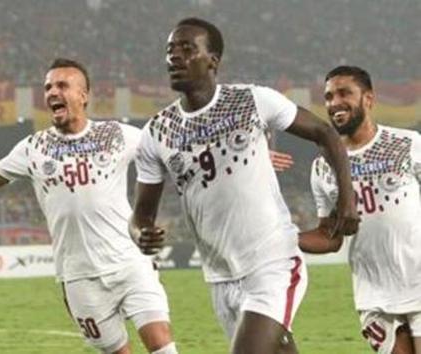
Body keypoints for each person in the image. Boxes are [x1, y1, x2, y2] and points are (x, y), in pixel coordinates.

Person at [0, 58, 178, 354]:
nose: (52, 92)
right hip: (78, 276)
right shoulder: (33, 148)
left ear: (84, 95)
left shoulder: (117, 135)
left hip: (129, 262)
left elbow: (166, 159)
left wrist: (151, 215)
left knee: (161, 343)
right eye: (48, 87)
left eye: (62, 85)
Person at [128, 17, 360, 354]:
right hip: (220, 277)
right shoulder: (156, 133)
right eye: (170, 50)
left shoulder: (253, 101)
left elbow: (325, 134)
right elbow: (139, 218)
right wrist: (142, 235)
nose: (174, 56)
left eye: (187, 48)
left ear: (213, 61)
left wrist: (346, 201)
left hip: (272, 263)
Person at [299, 65, 421, 354]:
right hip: (372, 294)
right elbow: (330, 237)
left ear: (368, 98)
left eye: (344, 93)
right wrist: (280, 236)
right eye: (328, 96)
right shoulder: (322, 167)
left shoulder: (407, 145)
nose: (334, 103)